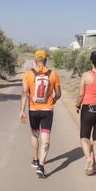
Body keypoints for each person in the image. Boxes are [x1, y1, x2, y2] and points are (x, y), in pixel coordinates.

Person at [20, 50, 61, 178]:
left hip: (33, 110)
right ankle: (41, 166)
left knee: (34, 134)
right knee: (46, 139)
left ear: (35, 60)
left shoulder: (28, 74)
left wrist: (22, 110)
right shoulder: (53, 74)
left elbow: (24, 93)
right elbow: (58, 94)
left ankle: (35, 160)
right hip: (47, 111)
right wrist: (52, 101)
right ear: (46, 60)